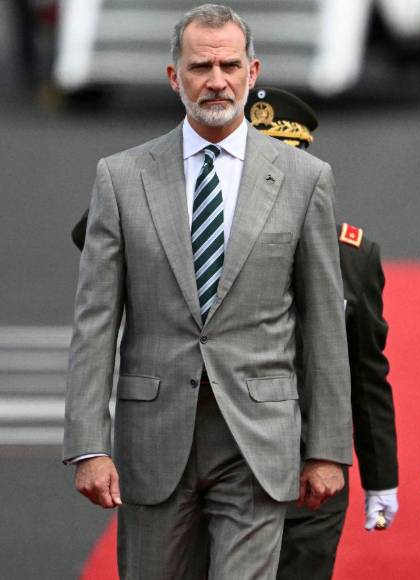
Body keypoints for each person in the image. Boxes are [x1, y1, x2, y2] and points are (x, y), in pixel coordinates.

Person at [63, 5, 351, 579]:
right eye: (200, 66)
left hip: (257, 438)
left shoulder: (303, 179)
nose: (216, 79)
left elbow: (322, 322)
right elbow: (95, 322)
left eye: (228, 64)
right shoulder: (121, 178)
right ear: (175, 77)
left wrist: (327, 448)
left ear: (252, 71)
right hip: (155, 436)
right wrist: (88, 445)